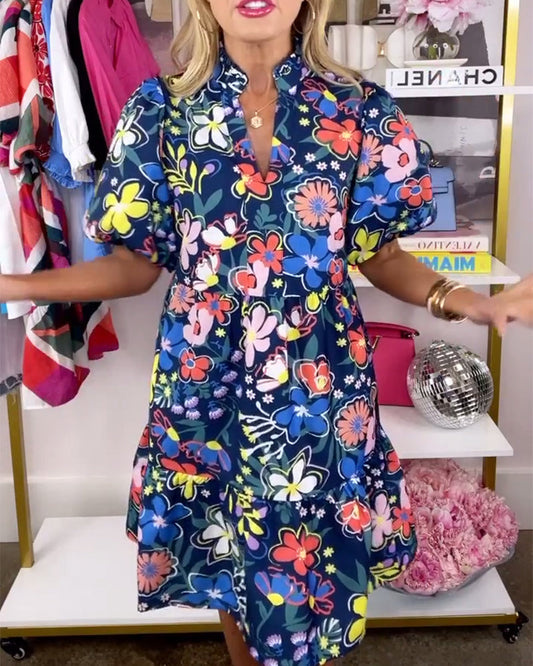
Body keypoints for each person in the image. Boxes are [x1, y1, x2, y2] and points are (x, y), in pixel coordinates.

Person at [1, 1, 532, 664]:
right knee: (231, 559)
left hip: (318, 387)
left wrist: (464, 301)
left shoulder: (361, 111)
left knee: (309, 568)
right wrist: (15, 286)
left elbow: (381, 255)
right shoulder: (159, 112)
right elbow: (135, 266)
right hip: (205, 390)